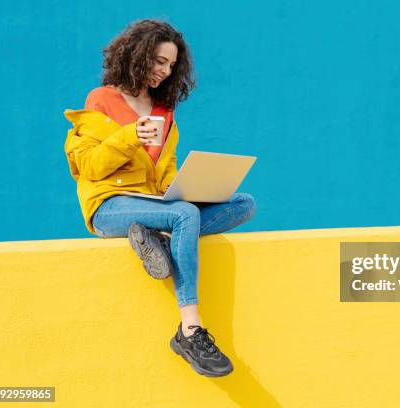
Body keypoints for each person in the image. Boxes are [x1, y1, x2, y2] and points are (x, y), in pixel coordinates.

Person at [63, 19, 256, 377]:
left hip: (154, 204)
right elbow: (89, 166)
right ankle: (190, 329)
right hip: (110, 205)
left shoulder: (164, 112)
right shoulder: (102, 99)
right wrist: (130, 136)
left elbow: (165, 170)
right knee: (184, 215)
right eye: (158, 61)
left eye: (171, 65)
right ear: (138, 55)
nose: (164, 71)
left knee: (243, 202)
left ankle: (163, 239)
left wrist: (180, 190)